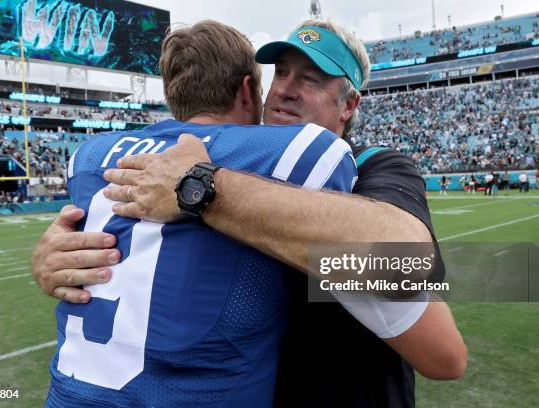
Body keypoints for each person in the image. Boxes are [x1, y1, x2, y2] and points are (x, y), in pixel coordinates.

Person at [32, 20, 467, 407]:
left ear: (349, 105)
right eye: (280, 73)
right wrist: (59, 255)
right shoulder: (236, 159)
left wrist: (200, 188)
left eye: (311, 79)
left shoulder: (376, 167)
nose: (285, 89)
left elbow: (437, 339)